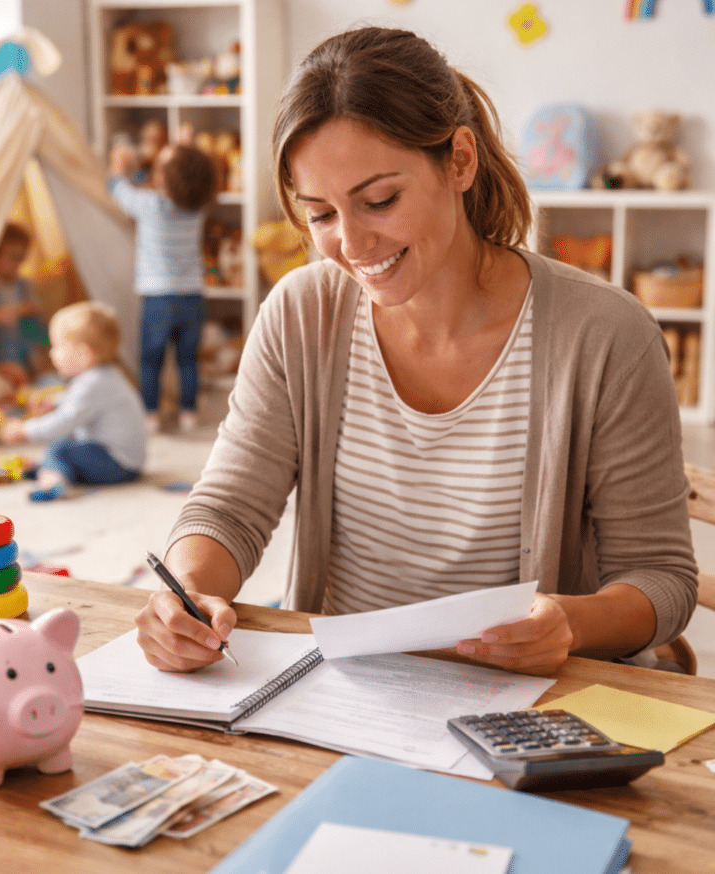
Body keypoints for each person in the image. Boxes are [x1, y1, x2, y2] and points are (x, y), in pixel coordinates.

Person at [135, 26, 698, 676]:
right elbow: (229, 507)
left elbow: (660, 578)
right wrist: (187, 594)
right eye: (320, 214)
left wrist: (570, 624)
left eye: (379, 201)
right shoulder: (299, 314)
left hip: (525, 704)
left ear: (460, 161)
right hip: (342, 696)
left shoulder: (606, 334)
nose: (352, 245)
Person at [108, 138, 216, 432]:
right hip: (192, 296)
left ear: (161, 179)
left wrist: (118, 168)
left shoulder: (150, 205)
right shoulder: (198, 207)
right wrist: (185, 149)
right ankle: (189, 414)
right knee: (188, 360)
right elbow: (190, 176)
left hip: (158, 297)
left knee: (150, 360)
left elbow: (117, 190)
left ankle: (150, 415)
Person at [1, 300, 146, 501]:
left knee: (60, 448)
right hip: (124, 463)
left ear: (83, 355)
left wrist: (25, 430)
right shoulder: (104, 376)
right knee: (67, 448)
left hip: (116, 464)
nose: (52, 353)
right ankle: (51, 468)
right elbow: (76, 401)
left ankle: (52, 483)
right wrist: (53, 402)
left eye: (57, 347)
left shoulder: (92, 384)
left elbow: (63, 422)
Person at [0, 222, 49, 381]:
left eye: (22, 257)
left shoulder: (24, 286)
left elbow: (37, 329)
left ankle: (32, 371)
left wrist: (25, 313)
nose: (19, 263)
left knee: (33, 325)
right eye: (14, 257)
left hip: (24, 354)